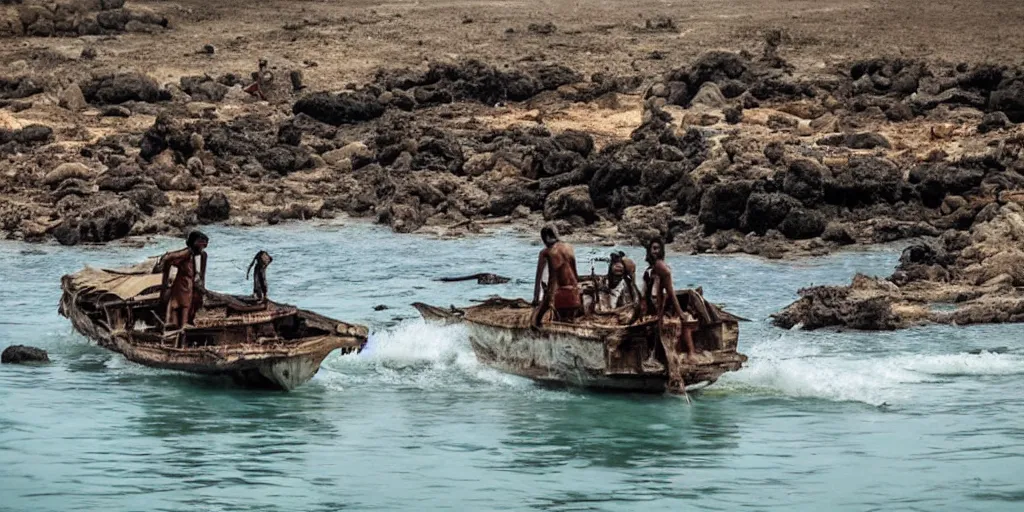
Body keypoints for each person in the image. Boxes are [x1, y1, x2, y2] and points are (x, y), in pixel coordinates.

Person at [637, 238, 697, 393]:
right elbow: (646, 293)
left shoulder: (661, 267)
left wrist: (680, 313)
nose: (654, 251)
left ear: (662, 250)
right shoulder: (652, 268)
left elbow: (669, 292)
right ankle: (654, 355)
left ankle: (687, 356)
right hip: (652, 306)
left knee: (672, 325)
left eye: (657, 248)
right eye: (652, 248)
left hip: (662, 307)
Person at [531, 225, 581, 327]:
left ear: (546, 238)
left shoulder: (547, 252)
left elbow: (543, 277)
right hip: (575, 293)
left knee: (535, 321)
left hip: (562, 295)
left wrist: (536, 298)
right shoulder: (569, 247)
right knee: (568, 318)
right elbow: (575, 273)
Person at [159, 231, 209, 331]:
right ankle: (181, 328)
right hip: (183, 285)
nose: (203, 246)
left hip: (189, 285)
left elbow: (201, 275)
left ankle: (183, 326)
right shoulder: (187, 253)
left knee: (187, 306)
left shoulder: (201, 255)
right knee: (183, 306)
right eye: (201, 243)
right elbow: (170, 258)